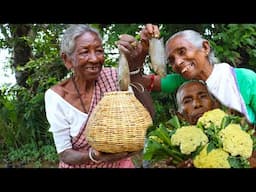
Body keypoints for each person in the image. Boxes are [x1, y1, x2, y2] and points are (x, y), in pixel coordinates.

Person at [44, 24, 154, 168]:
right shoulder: (57, 97)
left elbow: (148, 115)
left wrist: (134, 68)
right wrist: (94, 155)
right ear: (67, 60)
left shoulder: (114, 77)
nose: (95, 59)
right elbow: (65, 153)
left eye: (99, 51)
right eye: (85, 52)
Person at [117, 24, 256, 125]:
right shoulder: (180, 81)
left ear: (205, 48)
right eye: (171, 60)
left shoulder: (244, 79)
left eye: (182, 51)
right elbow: (137, 82)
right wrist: (142, 52)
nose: (177, 62)